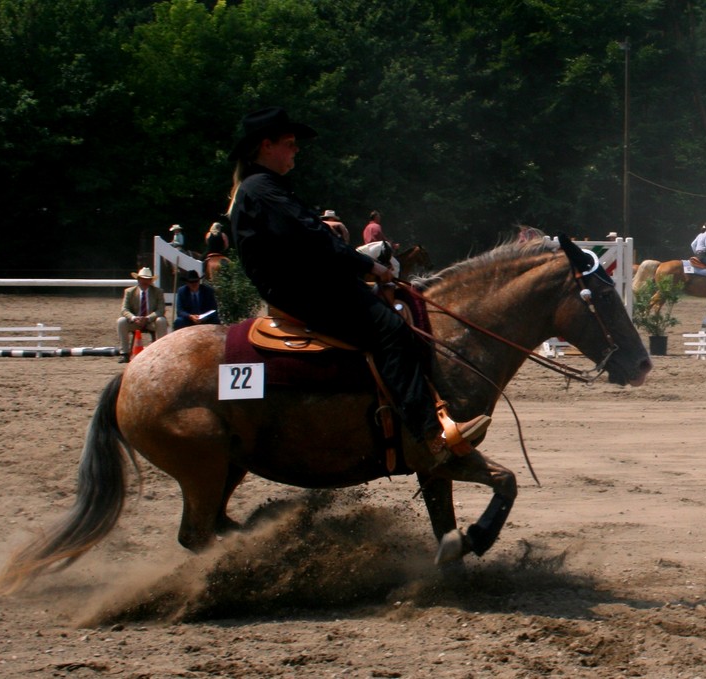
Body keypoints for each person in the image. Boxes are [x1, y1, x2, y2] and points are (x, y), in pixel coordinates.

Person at [225, 106, 490, 461]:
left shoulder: (261, 188)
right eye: (289, 143)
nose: (296, 149)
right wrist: (368, 266)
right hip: (303, 290)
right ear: (265, 146)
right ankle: (431, 434)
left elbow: (310, 238)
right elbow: (313, 237)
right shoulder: (264, 190)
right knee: (392, 331)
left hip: (301, 285)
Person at [117, 267, 168, 362]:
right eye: (143, 279)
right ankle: (124, 353)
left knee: (161, 320)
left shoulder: (158, 292)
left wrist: (148, 318)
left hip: (151, 322)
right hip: (135, 321)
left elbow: (161, 310)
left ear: (151, 281)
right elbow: (124, 309)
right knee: (121, 321)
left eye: (147, 279)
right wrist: (134, 318)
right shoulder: (129, 292)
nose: (145, 281)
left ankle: (162, 353)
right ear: (138, 279)